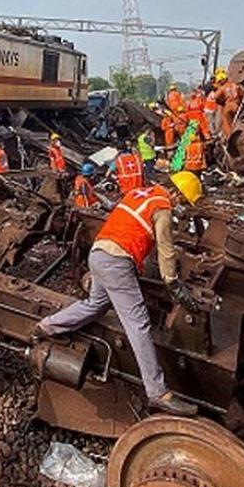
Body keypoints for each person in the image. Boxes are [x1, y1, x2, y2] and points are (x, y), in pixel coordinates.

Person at [34, 171, 204, 416]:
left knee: (95, 304)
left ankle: (47, 326)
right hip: (117, 262)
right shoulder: (162, 208)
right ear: (176, 193)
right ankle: (157, 392)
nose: (180, 207)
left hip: (98, 254)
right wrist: (174, 285)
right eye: (183, 201)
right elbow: (166, 251)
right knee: (138, 325)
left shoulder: (139, 193)